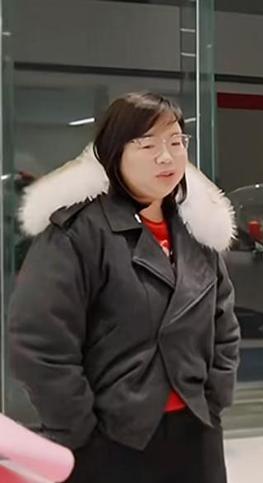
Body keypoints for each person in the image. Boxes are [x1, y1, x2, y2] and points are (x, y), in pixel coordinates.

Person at [9, 92, 240, 483]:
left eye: (176, 142)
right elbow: (39, 341)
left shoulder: (196, 232)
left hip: (195, 432)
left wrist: (214, 397)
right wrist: (79, 429)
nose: (166, 157)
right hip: (111, 439)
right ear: (114, 153)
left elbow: (224, 325)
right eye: (148, 145)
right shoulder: (78, 233)